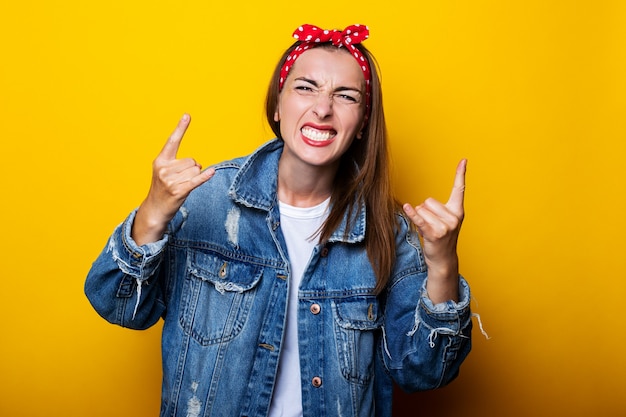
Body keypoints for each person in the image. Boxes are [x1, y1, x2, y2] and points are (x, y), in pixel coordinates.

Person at [85, 23, 473, 417]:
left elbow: (424, 373)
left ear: (362, 125)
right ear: (277, 105)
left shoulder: (389, 231)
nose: (323, 108)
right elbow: (116, 306)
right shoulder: (204, 201)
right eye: (306, 87)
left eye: (346, 96)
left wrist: (442, 263)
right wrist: (152, 211)